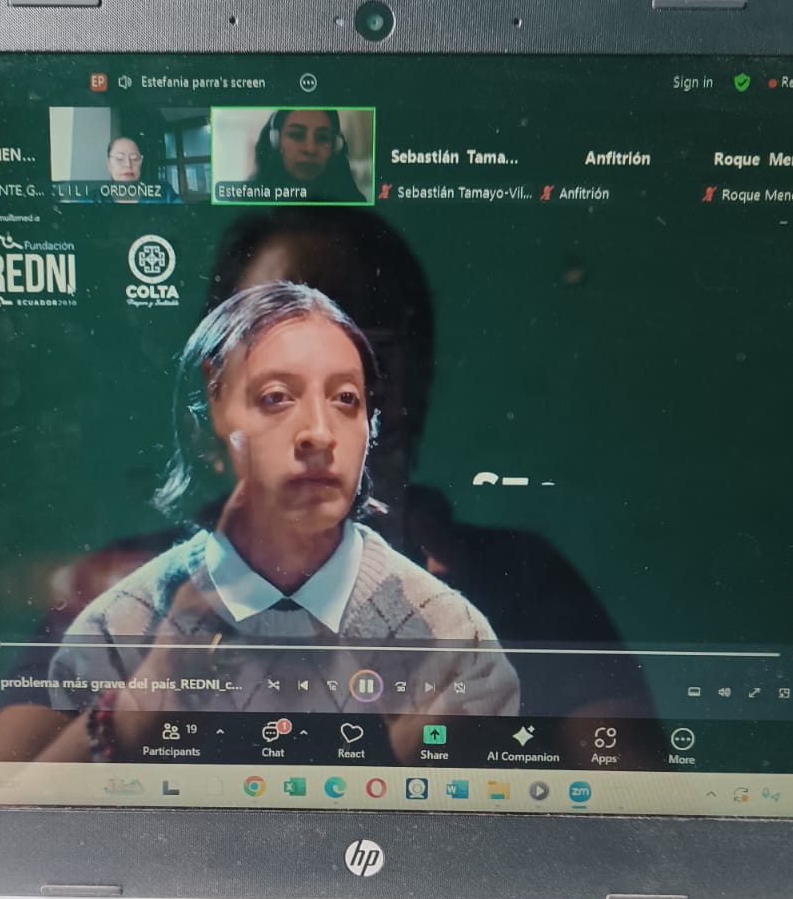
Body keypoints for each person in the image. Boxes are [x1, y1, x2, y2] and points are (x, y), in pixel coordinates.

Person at [44, 279, 519, 743]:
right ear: (202, 430)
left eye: (346, 399)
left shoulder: (454, 640)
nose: (319, 433)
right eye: (275, 398)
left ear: (370, 428)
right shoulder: (112, 634)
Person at [248, 109, 367, 202]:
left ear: (335, 146)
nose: (310, 149)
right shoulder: (248, 199)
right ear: (275, 141)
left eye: (322, 138)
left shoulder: (354, 202)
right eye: (297, 135)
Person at [95, 135, 181, 203]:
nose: (128, 165)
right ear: (109, 164)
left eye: (134, 158)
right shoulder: (95, 199)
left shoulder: (165, 193)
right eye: (120, 158)